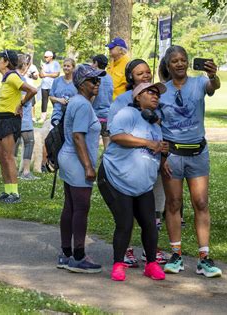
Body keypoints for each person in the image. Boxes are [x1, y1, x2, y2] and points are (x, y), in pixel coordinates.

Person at [158, 45, 222, 278]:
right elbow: (155, 123)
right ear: (167, 65)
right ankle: (176, 255)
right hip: (173, 155)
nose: (180, 64)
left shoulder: (198, 83)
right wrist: (162, 155)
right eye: (174, 61)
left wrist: (213, 75)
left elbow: (213, 86)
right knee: (173, 204)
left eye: (183, 60)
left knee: (201, 202)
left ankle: (204, 258)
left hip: (198, 154)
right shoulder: (160, 90)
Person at [98, 82, 168, 281]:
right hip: (116, 178)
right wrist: (148, 142)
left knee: (150, 224)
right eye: (150, 92)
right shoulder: (127, 114)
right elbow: (117, 136)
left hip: (142, 184)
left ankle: (152, 264)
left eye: (157, 94)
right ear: (137, 97)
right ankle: (118, 265)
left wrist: (162, 151)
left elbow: (155, 147)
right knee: (125, 223)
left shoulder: (155, 124)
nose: (155, 96)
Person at [56, 64, 105, 274]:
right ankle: (78, 256)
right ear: (81, 84)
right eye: (93, 81)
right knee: (81, 209)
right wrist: (88, 166)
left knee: (70, 207)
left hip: (67, 159)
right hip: (77, 162)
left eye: (98, 80)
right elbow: (78, 136)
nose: (97, 83)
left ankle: (66, 254)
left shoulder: (77, 102)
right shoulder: (83, 105)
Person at [0, 49, 37, 204]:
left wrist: (22, 104)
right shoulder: (6, 78)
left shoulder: (12, 76)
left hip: (9, 120)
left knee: (8, 156)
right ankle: (7, 191)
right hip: (0, 119)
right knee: (1, 156)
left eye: (0, 59)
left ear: (6, 62)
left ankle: (15, 193)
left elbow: (32, 90)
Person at [14, 54, 38, 180]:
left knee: (15, 142)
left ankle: (13, 170)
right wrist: (24, 102)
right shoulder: (21, 79)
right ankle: (26, 172)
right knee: (29, 142)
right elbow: (29, 94)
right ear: (25, 65)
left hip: (13, 116)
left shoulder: (11, 77)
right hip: (24, 116)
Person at [91, 54, 113, 149]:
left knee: (92, 143)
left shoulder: (94, 78)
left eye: (93, 63)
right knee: (107, 144)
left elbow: (92, 97)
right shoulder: (109, 78)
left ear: (96, 63)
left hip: (95, 115)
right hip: (107, 115)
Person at [49, 58, 77, 126]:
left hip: (72, 115)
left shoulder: (77, 82)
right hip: (57, 114)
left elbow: (80, 98)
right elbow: (51, 97)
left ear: (73, 68)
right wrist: (59, 100)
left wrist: (71, 100)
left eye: (68, 66)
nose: (66, 68)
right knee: (56, 134)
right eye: (64, 66)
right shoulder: (57, 81)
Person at [38, 51, 60, 123]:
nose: (45, 58)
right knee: (44, 101)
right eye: (44, 57)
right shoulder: (44, 64)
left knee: (54, 101)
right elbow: (41, 76)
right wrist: (41, 68)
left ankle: (56, 116)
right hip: (44, 85)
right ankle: (43, 118)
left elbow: (56, 74)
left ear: (51, 57)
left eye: (46, 57)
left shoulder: (55, 63)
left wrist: (46, 75)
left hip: (52, 86)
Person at [25, 54, 39, 122]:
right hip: (23, 87)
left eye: (28, 60)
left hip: (30, 87)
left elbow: (36, 77)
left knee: (32, 103)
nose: (26, 61)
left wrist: (30, 75)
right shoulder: (21, 66)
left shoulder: (33, 67)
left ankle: (33, 117)